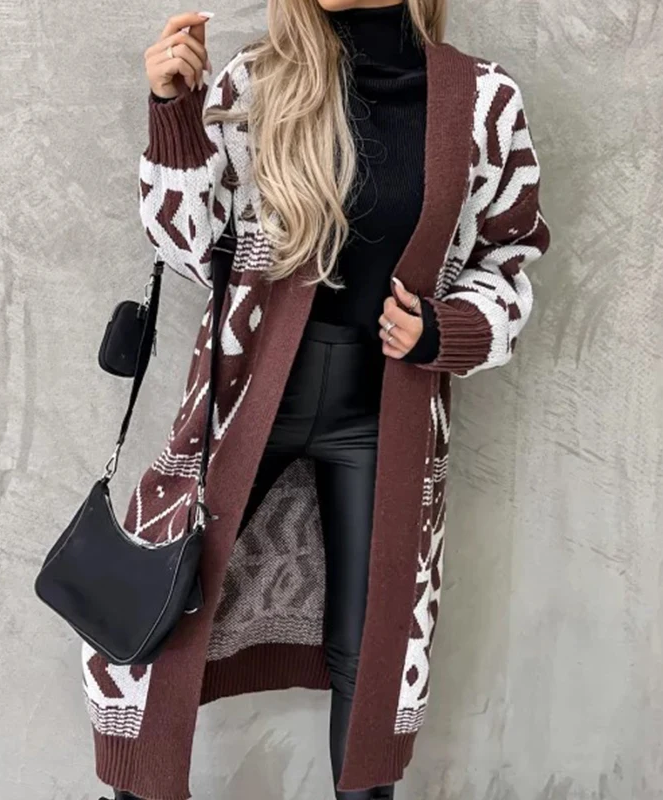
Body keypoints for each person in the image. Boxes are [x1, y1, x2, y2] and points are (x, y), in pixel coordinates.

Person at [89, 2, 551, 799]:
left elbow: (509, 256)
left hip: (382, 415)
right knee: (154, 614)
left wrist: (445, 329)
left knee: (375, 652)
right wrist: (173, 115)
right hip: (242, 402)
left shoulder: (482, 103)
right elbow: (191, 248)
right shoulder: (254, 83)